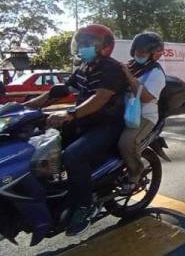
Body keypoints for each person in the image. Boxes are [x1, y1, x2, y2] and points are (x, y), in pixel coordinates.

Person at [25, 24, 127, 236]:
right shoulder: (84, 67)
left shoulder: (111, 68)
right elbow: (59, 91)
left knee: (73, 156)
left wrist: (70, 114)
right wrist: (25, 108)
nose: (82, 47)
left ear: (105, 47)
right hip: (84, 121)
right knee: (41, 143)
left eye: (88, 44)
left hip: (106, 124)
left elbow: (100, 98)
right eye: (80, 43)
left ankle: (84, 205)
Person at [118, 32, 166, 193]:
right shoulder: (131, 66)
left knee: (126, 143)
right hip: (123, 113)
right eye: (137, 51)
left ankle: (135, 171)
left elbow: (146, 97)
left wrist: (128, 76)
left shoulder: (156, 73)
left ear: (153, 55)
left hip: (143, 117)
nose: (139, 55)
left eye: (144, 52)